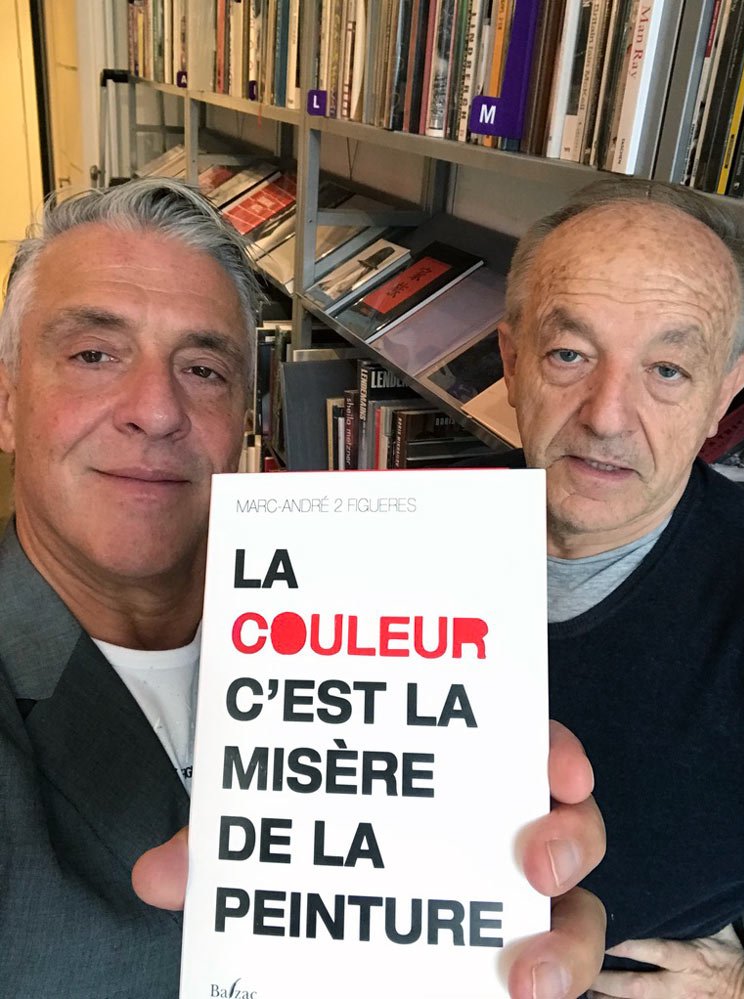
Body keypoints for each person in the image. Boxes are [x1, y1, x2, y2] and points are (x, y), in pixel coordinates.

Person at [0, 177, 606, 999]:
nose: (156, 409)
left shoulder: (379, 648)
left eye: (203, 368)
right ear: (8, 399)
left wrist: (496, 937)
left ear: (246, 421)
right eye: (93, 355)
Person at [495, 177, 744, 997]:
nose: (606, 415)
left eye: (667, 369)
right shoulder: (386, 543)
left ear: (723, 393)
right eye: (568, 354)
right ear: (510, 362)